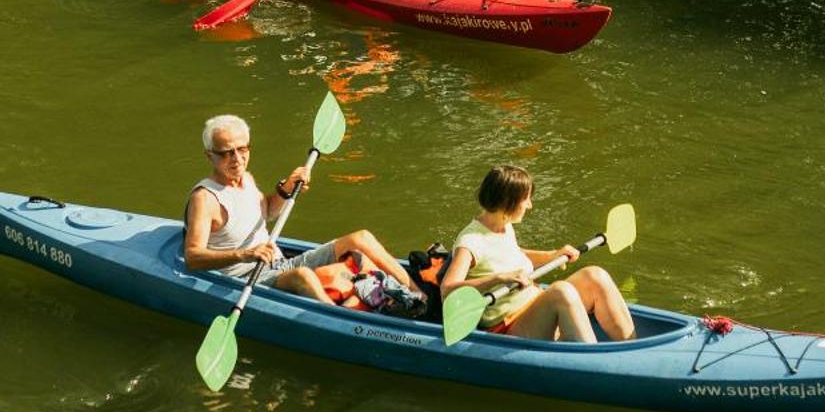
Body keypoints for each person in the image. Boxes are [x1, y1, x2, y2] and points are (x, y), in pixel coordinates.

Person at [183, 113, 420, 311]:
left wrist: (285, 190)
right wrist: (245, 254)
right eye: (226, 153)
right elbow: (193, 257)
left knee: (362, 238)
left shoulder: (245, 178)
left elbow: (265, 212)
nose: (237, 159)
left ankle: (419, 296)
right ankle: (341, 323)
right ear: (209, 155)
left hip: (277, 263)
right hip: (246, 278)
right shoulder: (204, 199)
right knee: (302, 276)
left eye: (242, 149)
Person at [441, 164, 636, 343]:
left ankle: (630, 346)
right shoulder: (471, 242)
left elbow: (513, 254)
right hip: (508, 325)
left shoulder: (503, 225)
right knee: (560, 291)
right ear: (508, 202)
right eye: (526, 199)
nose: (529, 205)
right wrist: (497, 278)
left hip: (534, 303)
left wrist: (553, 255)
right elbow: (447, 289)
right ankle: (595, 364)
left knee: (595, 275)